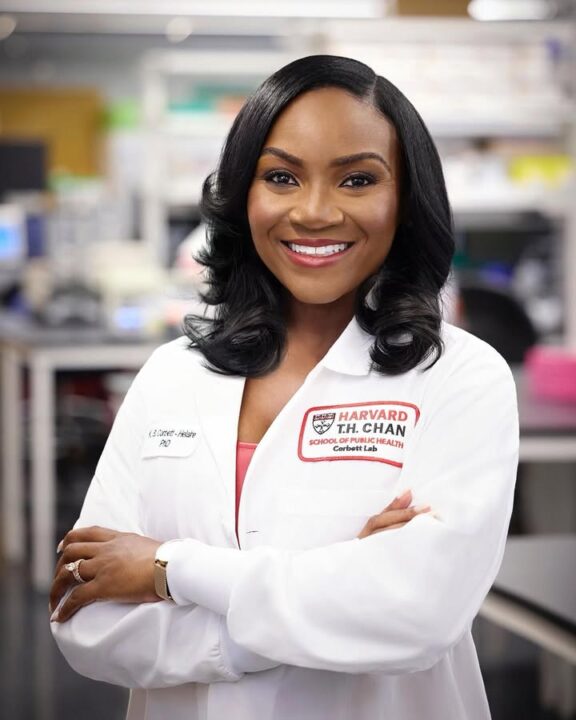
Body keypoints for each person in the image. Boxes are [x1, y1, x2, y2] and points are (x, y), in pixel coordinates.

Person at [50, 55, 519, 720]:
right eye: (281, 177)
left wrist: (168, 570)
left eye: (357, 179)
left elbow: (415, 615)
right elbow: (84, 621)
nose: (316, 211)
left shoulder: (460, 379)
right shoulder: (172, 377)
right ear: (244, 193)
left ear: (405, 199)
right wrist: (333, 592)